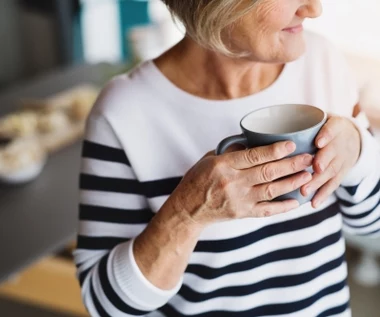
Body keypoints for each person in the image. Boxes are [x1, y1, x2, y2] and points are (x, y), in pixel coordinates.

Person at [74, 0, 380, 316]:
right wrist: (186, 215)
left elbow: (373, 223)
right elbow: (105, 305)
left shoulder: (321, 62)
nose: (313, 9)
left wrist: (358, 150)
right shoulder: (123, 113)